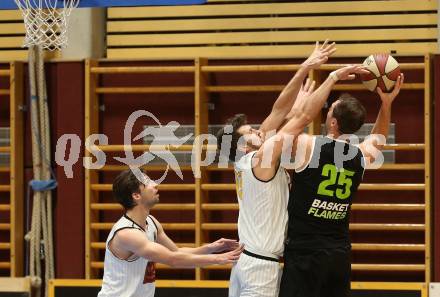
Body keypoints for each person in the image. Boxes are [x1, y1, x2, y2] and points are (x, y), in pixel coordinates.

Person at [216, 39, 368, 297]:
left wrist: (302, 70)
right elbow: (302, 118)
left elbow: (279, 110)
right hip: (261, 267)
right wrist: (329, 76)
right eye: (252, 132)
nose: (259, 130)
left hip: (247, 261)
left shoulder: (248, 160)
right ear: (242, 146)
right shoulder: (260, 158)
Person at [278, 69, 404, 297]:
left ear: (333, 122)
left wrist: (301, 105)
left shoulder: (309, 146)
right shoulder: (359, 156)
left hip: (305, 252)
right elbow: (379, 141)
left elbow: (289, 130)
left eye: (330, 109)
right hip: (339, 253)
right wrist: (386, 104)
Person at [97, 169, 244, 297]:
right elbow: (173, 260)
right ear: (136, 196)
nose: (155, 185)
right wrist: (218, 259)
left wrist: (210, 248)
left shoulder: (151, 222)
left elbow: (176, 251)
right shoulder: (127, 234)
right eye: (148, 183)